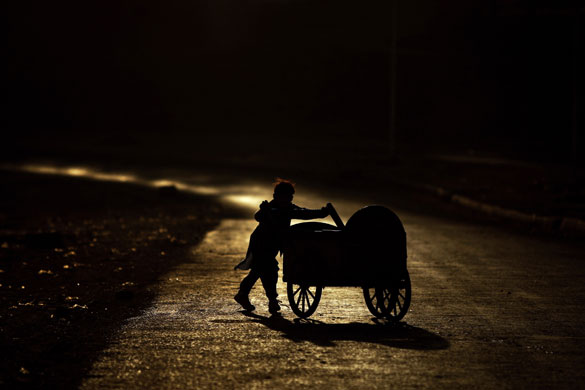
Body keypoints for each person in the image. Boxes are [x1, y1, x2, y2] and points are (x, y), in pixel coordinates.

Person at [234, 179, 330, 314]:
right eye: (284, 196)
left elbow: (303, 212)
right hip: (261, 243)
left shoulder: (289, 208)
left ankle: (243, 294)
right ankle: (272, 300)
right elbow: (258, 216)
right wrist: (264, 210)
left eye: (290, 197)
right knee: (270, 269)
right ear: (275, 197)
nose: (287, 199)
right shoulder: (269, 208)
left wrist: (321, 213)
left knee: (258, 270)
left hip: (273, 245)